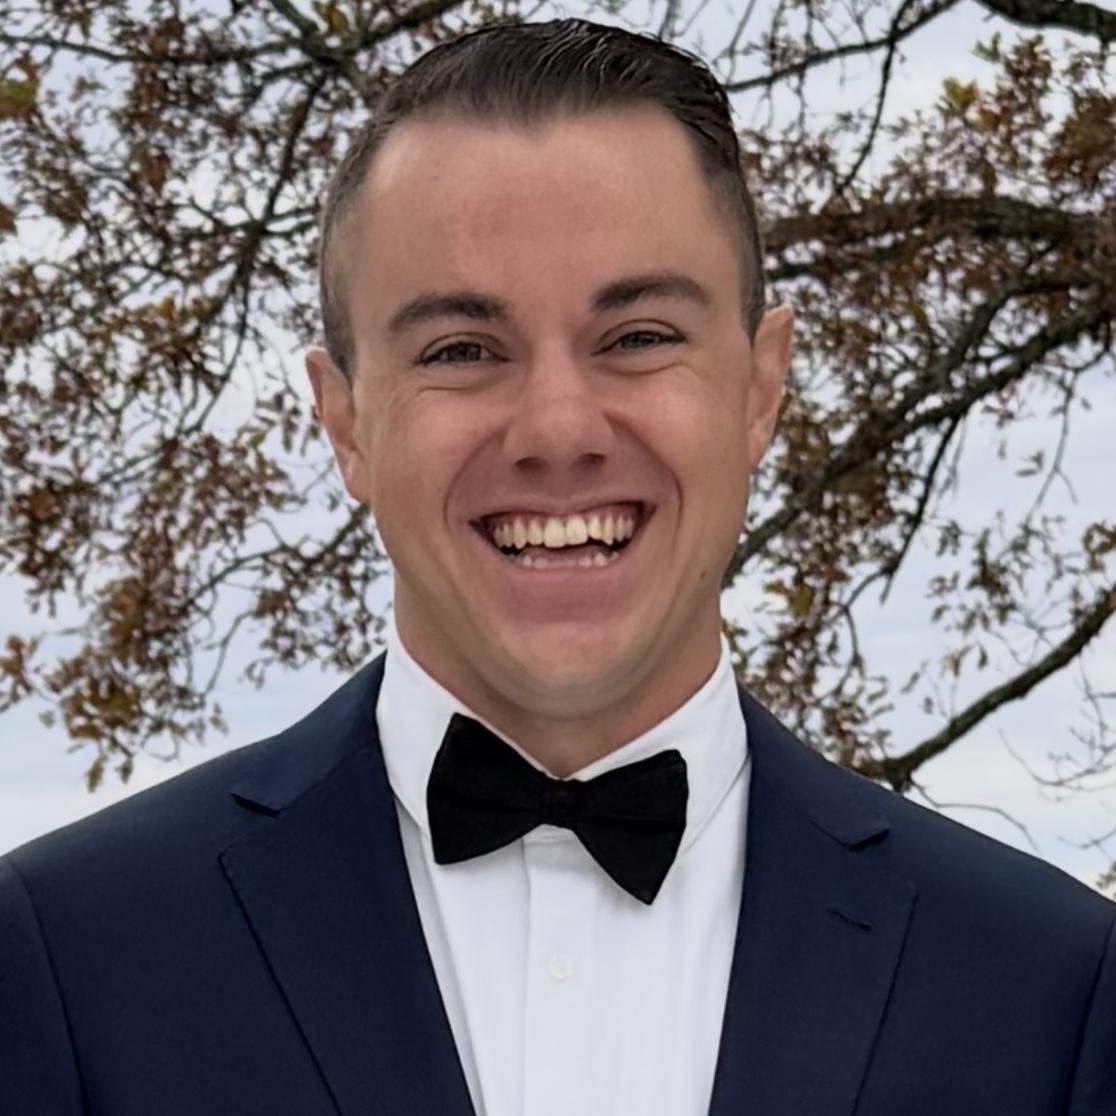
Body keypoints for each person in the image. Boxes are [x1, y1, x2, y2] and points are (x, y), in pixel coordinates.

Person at [1, 16, 1112, 1116]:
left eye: (638, 337)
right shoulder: (64, 958)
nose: (558, 430)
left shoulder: (1053, 991)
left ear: (760, 387)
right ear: (344, 423)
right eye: (461, 350)